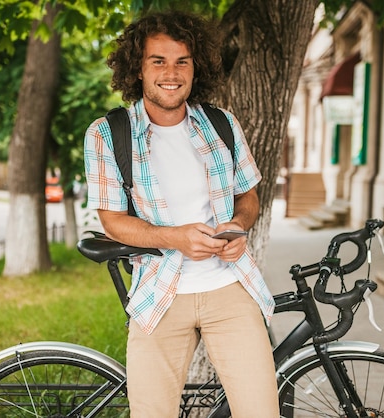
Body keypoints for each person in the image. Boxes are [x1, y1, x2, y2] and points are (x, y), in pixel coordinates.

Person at [84, 10, 279, 418]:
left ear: (196, 67)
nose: (171, 72)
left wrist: (237, 226)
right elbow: (112, 221)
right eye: (158, 60)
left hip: (230, 288)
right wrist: (175, 238)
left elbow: (249, 197)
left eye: (181, 61)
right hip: (159, 293)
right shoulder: (106, 133)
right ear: (137, 68)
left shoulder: (222, 124)